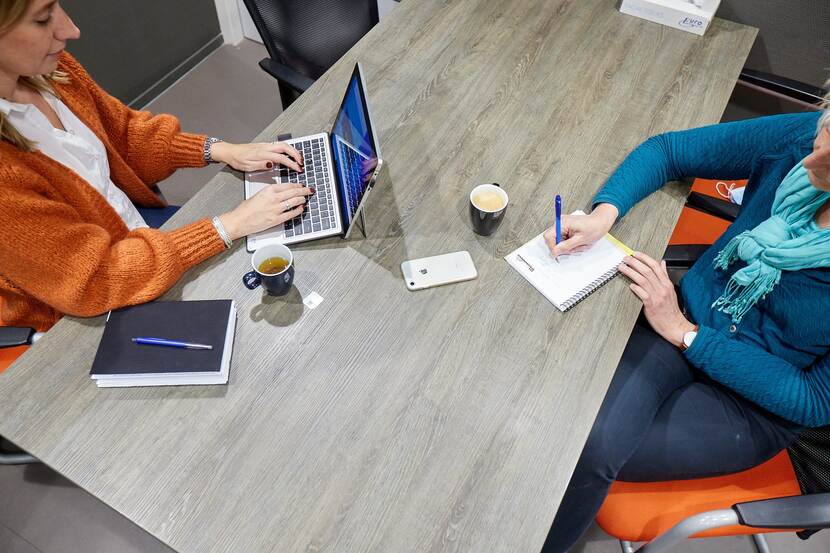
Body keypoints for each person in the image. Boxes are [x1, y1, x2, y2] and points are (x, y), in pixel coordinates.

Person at [541, 81, 830, 552]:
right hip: (681, 322)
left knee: (581, 451)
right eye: (825, 138)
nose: (811, 161)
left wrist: (688, 334)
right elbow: (670, 150)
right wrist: (603, 215)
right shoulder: (806, 137)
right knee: (566, 421)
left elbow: (815, 400)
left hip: (753, 402)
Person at [0, 0, 315, 331]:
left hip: (137, 234)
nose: (71, 30)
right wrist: (229, 225)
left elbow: (124, 136)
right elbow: (96, 278)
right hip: (82, 311)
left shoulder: (51, 70)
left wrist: (221, 150)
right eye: (42, 19)